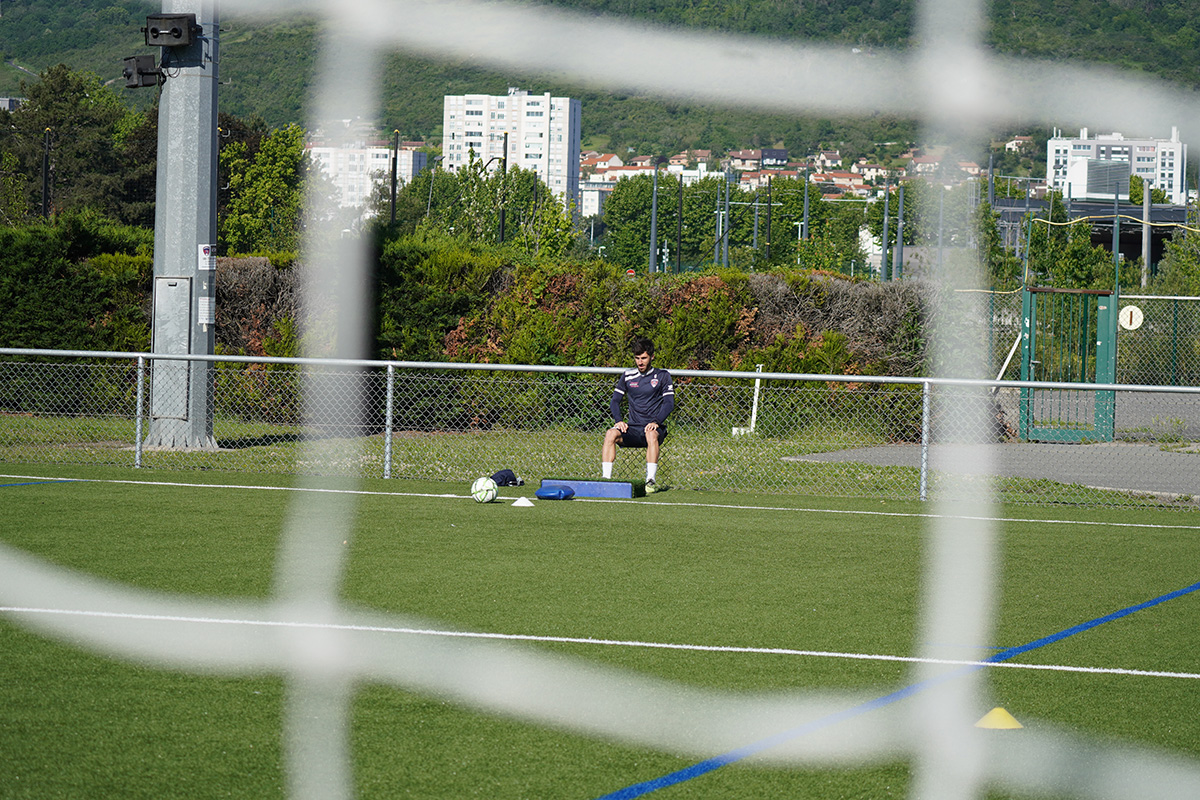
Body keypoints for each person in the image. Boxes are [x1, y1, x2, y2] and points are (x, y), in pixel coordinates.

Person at [601, 337, 674, 492]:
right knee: (610, 433)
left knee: (651, 434)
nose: (640, 362)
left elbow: (669, 403)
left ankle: (650, 481)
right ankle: (605, 480)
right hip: (632, 428)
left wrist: (656, 422)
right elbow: (615, 401)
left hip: (653, 428)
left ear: (652, 357)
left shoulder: (662, 376)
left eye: (644, 358)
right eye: (637, 358)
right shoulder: (628, 375)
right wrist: (619, 420)